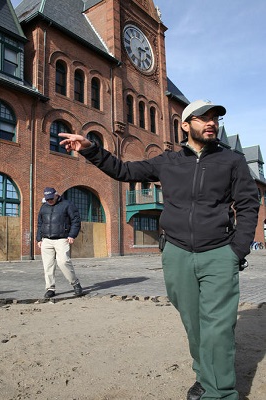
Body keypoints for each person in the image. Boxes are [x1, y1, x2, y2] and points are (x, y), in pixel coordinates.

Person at [58, 99, 259, 400]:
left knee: (218, 326)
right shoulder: (168, 161)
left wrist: (237, 250)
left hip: (219, 253)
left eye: (215, 118)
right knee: (194, 324)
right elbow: (123, 170)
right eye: (203, 118)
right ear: (185, 125)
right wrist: (90, 149)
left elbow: (248, 204)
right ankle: (205, 376)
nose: (211, 123)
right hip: (177, 253)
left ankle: (221, 392)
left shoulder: (232, 161)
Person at [36, 187, 83, 298]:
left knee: (64, 262)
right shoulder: (43, 207)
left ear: (57, 195)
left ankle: (75, 283)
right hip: (46, 240)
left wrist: (72, 235)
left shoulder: (67, 204)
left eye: (51, 198)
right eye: (47, 199)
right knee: (48, 266)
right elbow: (40, 223)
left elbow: (76, 220)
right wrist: (39, 238)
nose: (50, 201)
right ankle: (50, 288)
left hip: (62, 239)